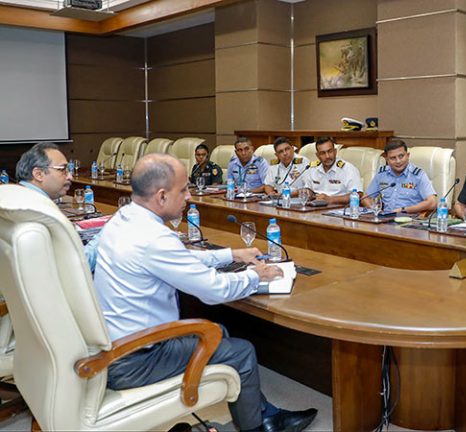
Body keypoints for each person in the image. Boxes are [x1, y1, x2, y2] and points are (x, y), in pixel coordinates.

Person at [93, 153, 317, 432]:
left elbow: (176, 260)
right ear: (162, 196)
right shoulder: (154, 238)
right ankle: (258, 428)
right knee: (243, 352)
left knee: (217, 330)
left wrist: (230, 255)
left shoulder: (124, 219)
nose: (189, 197)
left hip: (118, 344)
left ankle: (263, 414)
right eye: (183, 190)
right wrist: (254, 275)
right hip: (136, 359)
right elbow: (214, 290)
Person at [16, 142, 99, 272]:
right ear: (38, 174)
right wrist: (108, 234)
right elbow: (78, 267)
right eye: (62, 170)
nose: (70, 176)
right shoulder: (41, 213)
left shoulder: (13, 197)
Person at [362, 139, 437, 214]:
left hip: (409, 220)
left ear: (408, 155)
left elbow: (432, 203)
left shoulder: (418, 175)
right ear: (387, 159)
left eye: (401, 156)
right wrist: (378, 212)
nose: (398, 161)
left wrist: (404, 209)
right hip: (385, 220)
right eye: (393, 158)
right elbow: (365, 198)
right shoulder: (382, 174)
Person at [298, 136, 362, 205]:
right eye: (323, 153)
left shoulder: (348, 169)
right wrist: (308, 193)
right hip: (316, 207)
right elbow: (309, 189)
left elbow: (358, 194)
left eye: (330, 151)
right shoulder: (312, 169)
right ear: (317, 155)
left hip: (339, 209)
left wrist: (331, 199)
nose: (327, 156)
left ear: (335, 151)